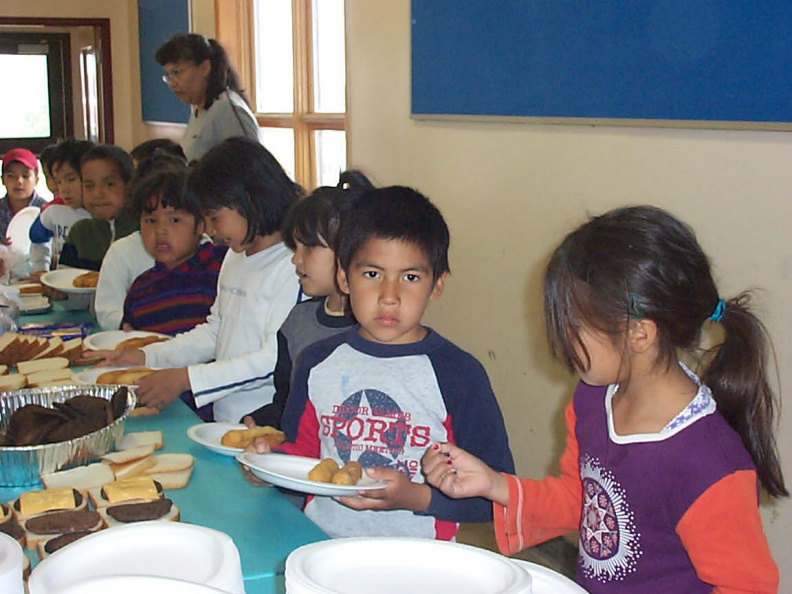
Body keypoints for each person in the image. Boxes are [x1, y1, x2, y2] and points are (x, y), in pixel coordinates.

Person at [422, 206, 785, 592]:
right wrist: (492, 484)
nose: (559, 339)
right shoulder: (594, 400)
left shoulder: (708, 463)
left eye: (571, 326)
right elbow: (577, 499)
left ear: (638, 335)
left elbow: (748, 586)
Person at [246, 186, 514, 541]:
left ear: (437, 284)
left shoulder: (459, 374)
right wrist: (267, 462)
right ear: (344, 278)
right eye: (372, 274)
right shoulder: (316, 362)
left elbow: (497, 497)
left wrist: (414, 497)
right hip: (322, 547)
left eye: (411, 277)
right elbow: (303, 457)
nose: (389, 297)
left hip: (421, 566)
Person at [91, 137, 304, 424]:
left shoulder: (292, 266)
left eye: (215, 218)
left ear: (248, 200)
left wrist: (185, 379)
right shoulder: (235, 255)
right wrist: (146, 357)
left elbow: (272, 360)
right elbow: (215, 332)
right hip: (225, 418)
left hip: (266, 422)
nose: (212, 231)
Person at [244, 170, 373, 429]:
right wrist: (260, 422)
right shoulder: (297, 321)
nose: (296, 259)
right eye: (295, 247)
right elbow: (287, 402)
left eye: (310, 247)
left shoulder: (375, 329)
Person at [121, 155, 227, 335]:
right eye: (150, 220)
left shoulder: (221, 269)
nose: (160, 230)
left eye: (174, 220)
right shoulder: (140, 290)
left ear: (201, 224)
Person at [155, 33, 259, 163]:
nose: (172, 82)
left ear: (204, 68)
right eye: (168, 75)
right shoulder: (200, 109)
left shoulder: (226, 109)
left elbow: (251, 166)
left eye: (176, 72)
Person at [59, 144, 136, 271]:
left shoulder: (143, 231)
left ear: (130, 186)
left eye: (109, 184)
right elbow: (64, 279)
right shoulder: (80, 233)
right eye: (89, 186)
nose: (97, 194)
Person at [28, 140, 94, 276]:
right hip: (63, 286)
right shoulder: (54, 209)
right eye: (59, 181)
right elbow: (37, 236)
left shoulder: (103, 213)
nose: (63, 189)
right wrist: (40, 267)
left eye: (71, 179)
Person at [0, 148, 48, 240]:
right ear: (2, 180)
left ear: (36, 180)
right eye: (11, 176)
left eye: (25, 176)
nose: (19, 181)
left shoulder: (47, 211)